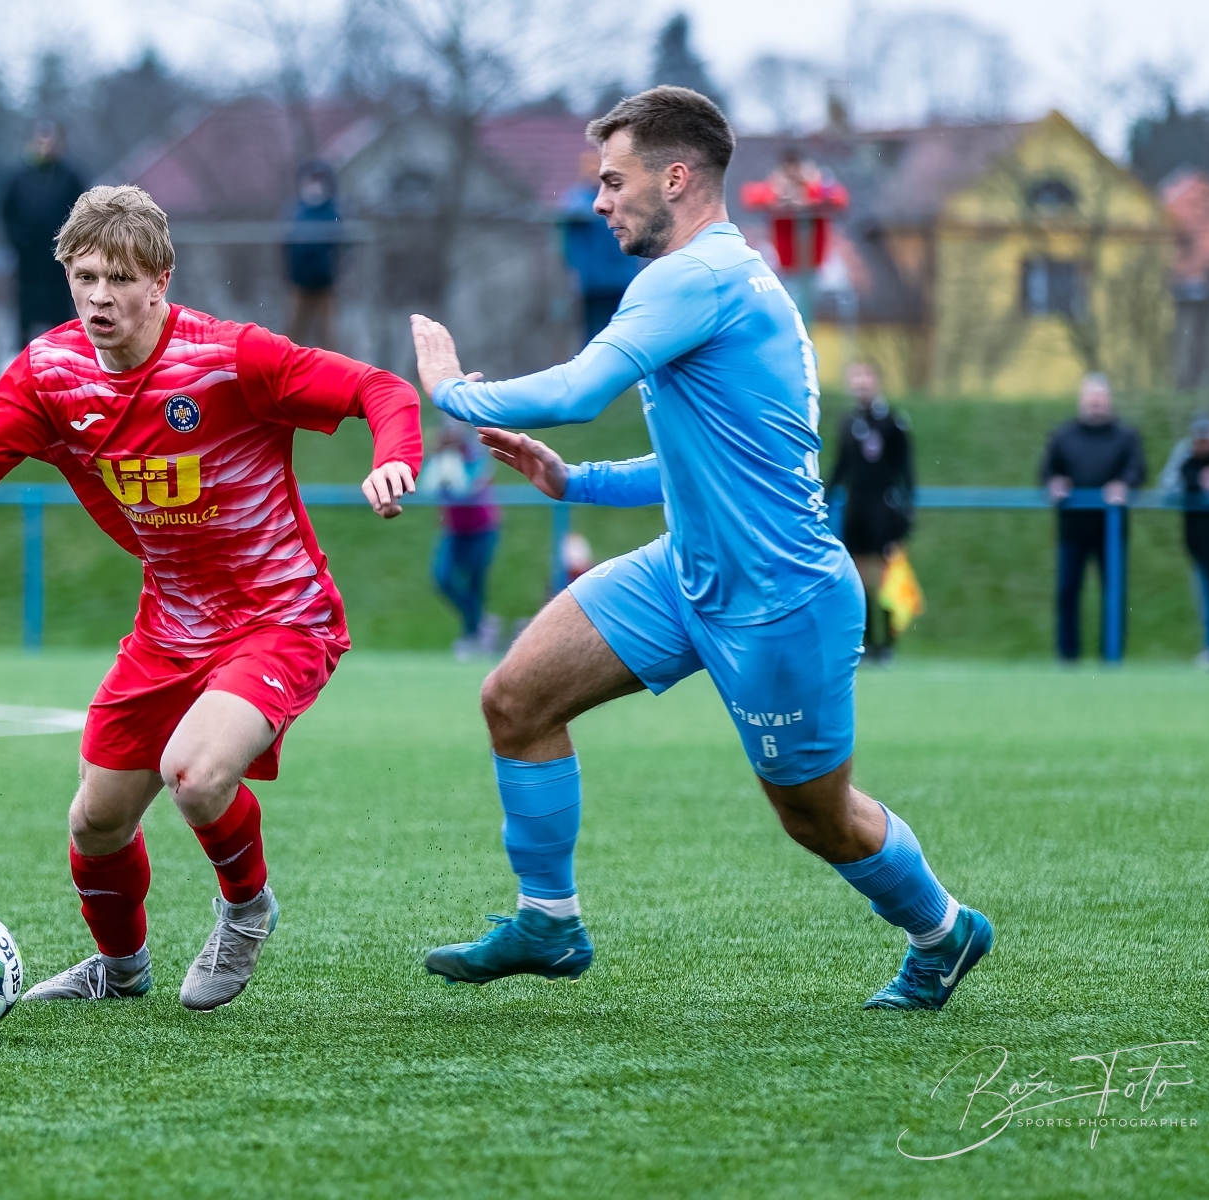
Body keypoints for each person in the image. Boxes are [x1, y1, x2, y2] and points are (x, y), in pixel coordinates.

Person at [409, 86, 991, 1011]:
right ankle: (548, 921)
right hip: (686, 571)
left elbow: (578, 390)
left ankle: (945, 930)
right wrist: (575, 482)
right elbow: (704, 461)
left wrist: (450, 390)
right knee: (516, 699)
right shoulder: (723, 279)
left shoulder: (696, 277)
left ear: (675, 178)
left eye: (614, 181)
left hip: (779, 599)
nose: (599, 201)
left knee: (818, 819)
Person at [0, 186, 421, 1011]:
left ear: (160, 281)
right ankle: (120, 972)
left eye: (120, 279)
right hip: (170, 626)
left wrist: (395, 456)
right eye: (85, 277)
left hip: (281, 616)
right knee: (95, 822)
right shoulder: (51, 372)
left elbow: (382, 390)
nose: (99, 297)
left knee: (192, 774)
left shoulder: (230, 359)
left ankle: (246, 911)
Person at [1039, 374, 1146, 663]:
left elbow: (1137, 469)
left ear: (1108, 400)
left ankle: (1111, 655)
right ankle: (1067, 655)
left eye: (1100, 397)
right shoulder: (1063, 435)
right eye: (1090, 397)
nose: (1095, 403)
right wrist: (1055, 482)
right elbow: (1047, 471)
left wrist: (1123, 484)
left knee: (1114, 592)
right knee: (1067, 591)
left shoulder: (1126, 436)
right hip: (1072, 528)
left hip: (1111, 529)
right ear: (1081, 400)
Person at [827, 361, 915, 663]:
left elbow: (906, 467)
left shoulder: (893, 422)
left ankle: (887, 642)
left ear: (876, 381)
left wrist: (908, 507)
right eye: (856, 378)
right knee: (858, 575)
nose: (861, 384)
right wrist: (825, 495)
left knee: (887, 575)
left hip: (884, 506)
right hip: (857, 506)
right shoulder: (848, 423)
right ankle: (864, 641)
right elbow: (841, 464)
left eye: (866, 377)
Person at [1159, 414, 1209, 668]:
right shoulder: (1186, 458)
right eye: (1199, 440)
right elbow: (1167, 488)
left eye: (1208, 439)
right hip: (1201, 545)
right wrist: (1194, 484)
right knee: (1208, 604)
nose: (1203, 445)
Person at [0, 121, 88, 346]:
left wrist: (72, 245)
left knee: (62, 314)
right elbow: (7, 214)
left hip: (60, 261)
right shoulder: (18, 179)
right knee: (27, 315)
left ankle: (66, 351)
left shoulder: (70, 178)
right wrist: (19, 241)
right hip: (29, 263)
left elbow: (83, 213)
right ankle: (23, 355)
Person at [428, 415, 502, 658]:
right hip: (454, 530)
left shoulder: (476, 454)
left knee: (474, 583)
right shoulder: (440, 456)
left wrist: (457, 477)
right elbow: (429, 485)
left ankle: (472, 635)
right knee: (443, 577)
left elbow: (473, 488)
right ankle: (481, 621)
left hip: (482, 528)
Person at [561, 151, 642, 345]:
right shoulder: (579, 199)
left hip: (621, 278)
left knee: (622, 329)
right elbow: (573, 215)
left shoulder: (620, 197)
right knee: (594, 332)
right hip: (593, 282)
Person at [284, 162, 342, 349]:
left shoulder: (332, 212)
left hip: (325, 283)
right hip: (299, 283)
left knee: (327, 336)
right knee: (293, 334)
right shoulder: (295, 213)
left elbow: (341, 250)